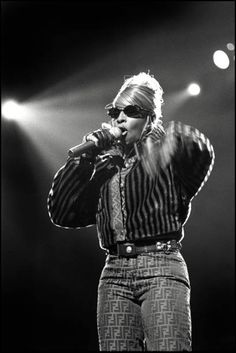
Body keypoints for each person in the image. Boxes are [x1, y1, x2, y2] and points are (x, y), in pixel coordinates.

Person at [47, 72, 215, 351]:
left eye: (131, 110)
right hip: (113, 274)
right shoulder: (105, 165)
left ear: (150, 117)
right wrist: (86, 159)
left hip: (161, 267)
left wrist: (169, 140)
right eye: (115, 111)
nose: (120, 118)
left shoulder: (168, 156)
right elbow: (62, 212)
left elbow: (202, 151)